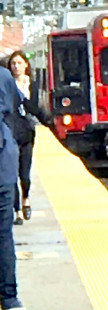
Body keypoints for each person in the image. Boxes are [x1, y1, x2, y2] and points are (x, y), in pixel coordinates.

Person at [6, 52, 42, 221]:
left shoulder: (32, 85)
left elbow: (35, 108)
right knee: (11, 173)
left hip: (27, 133)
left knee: (24, 174)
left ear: (26, 65)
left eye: (20, 63)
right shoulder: (6, 84)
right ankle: (17, 211)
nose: (16, 66)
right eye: (13, 63)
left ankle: (26, 199)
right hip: (10, 133)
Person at [0, 65, 24, 310]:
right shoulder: (4, 77)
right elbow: (13, 115)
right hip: (3, 165)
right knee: (3, 233)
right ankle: (9, 298)